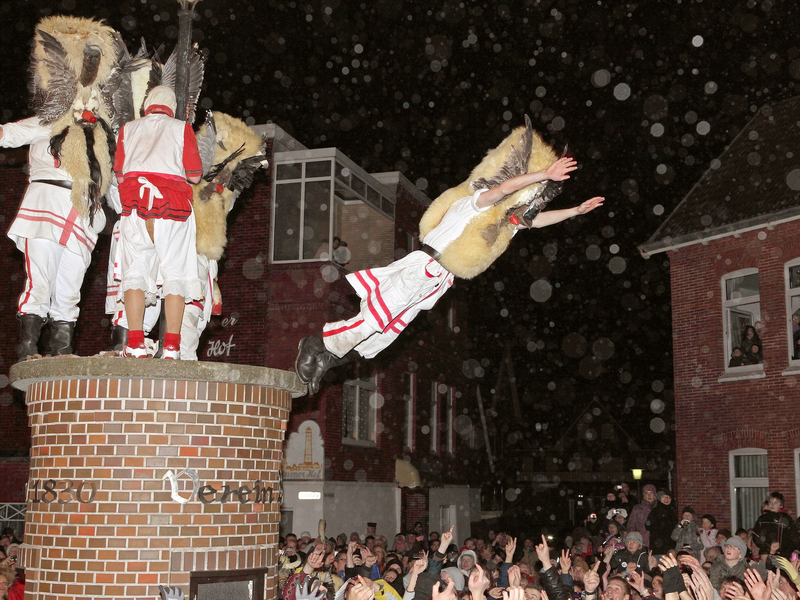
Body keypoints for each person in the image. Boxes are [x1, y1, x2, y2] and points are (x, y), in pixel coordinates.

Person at [296, 156, 604, 393]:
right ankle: (315, 343)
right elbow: (503, 189)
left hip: (436, 283)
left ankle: (329, 359)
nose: (523, 213)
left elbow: (532, 222)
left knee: (379, 339)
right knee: (376, 319)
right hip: (422, 267)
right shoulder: (476, 204)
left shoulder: (500, 227)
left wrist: (575, 211)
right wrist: (544, 174)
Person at [0, 116, 109, 360]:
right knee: (39, 281)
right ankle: (28, 349)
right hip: (45, 206)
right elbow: (7, 135)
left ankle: (62, 353)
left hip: (81, 213)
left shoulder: (99, 133)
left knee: (70, 290)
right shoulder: (47, 122)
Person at [113, 85, 204, 359]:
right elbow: (196, 174)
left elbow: (119, 174)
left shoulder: (127, 129)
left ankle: (136, 343)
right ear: (172, 107)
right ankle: (172, 348)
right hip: (171, 206)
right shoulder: (181, 128)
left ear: (147, 105)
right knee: (175, 275)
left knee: (135, 274)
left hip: (135, 206)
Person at [753, 491, 794, 556]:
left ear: (781, 505)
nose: (772, 504)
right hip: (765, 554)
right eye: (771, 502)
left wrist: (782, 548)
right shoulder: (762, 519)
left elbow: (792, 538)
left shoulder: (786, 519)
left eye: (775, 502)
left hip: (782, 555)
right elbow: (756, 535)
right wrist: (766, 548)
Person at [645, 490, 677, 556]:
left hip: (670, 545)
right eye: (664, 497)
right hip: (658, 545)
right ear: (660, 498)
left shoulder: (672, 511)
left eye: (668, 497)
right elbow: (647, 525)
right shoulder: (655, 511)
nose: (666, 499)